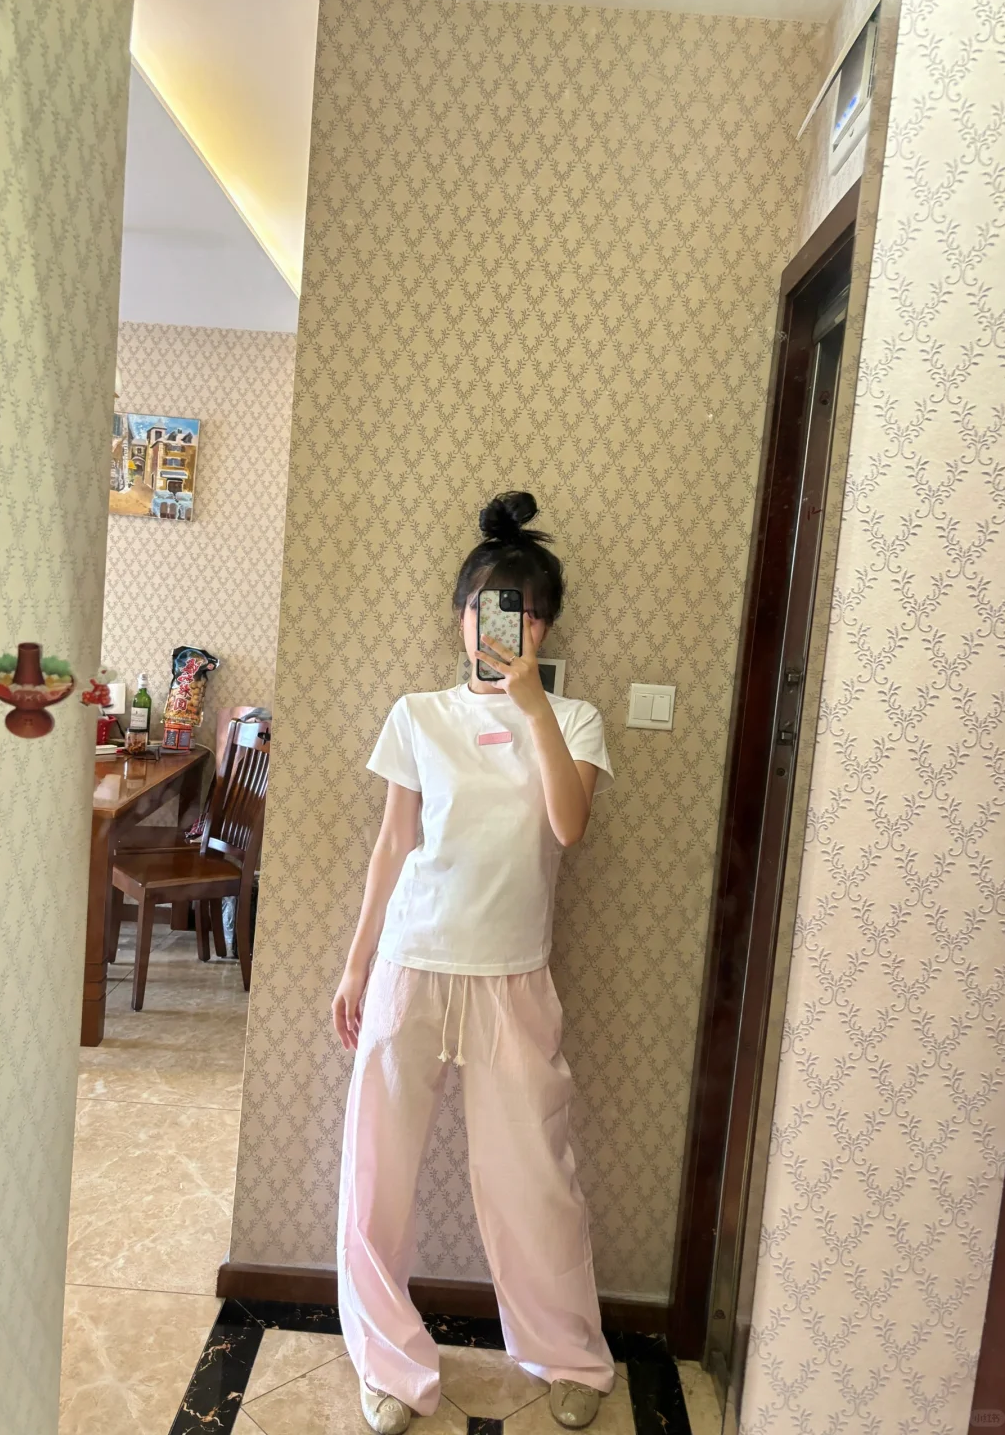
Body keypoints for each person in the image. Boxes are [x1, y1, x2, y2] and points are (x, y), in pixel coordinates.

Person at [332, 491, 616, 1433]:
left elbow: (569, 827)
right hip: (412, 962)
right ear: (462, 616)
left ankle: (568, 1354)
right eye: (491, 608)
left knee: (533, 1175)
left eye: (525, 613)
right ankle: (386, 1362)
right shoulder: (418, 715)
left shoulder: (573, 720)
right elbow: (392, 846)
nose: (506, 627)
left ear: (545, 627)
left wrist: (531, 707)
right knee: (377, 1175)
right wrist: (356, 965)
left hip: (512, 976)